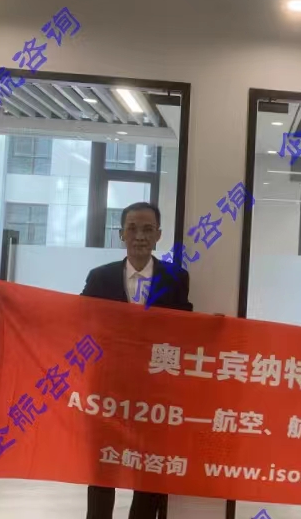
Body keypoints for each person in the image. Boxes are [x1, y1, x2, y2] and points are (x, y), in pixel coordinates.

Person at [82, 202, 193, 519]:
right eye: (132, 228)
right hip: (108, 388)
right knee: (103, 468)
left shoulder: (176, 278)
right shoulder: (100, 278)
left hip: (155, 392)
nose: (140, 236)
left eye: (147, 229)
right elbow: (79, 319)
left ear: (159, 235)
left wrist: (211, 328)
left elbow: (184, 326)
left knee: (149, 469)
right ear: (121, 234)